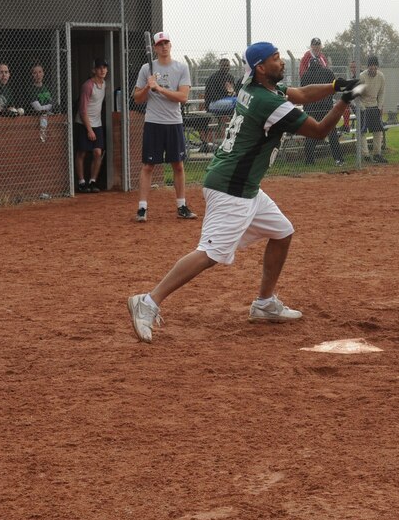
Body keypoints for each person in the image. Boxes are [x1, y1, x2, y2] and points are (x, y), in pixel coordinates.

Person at [127, 42, 362, 343]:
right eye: (275, 59)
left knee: (282, 232)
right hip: (232, 189)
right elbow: (317, 131)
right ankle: (147, 301)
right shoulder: (268, 103)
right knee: (209, 254)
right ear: (261, 68)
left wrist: (333, 85)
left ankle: (264, 304)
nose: (281, 62)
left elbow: (302, 95)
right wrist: (345, 100)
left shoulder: (251, 85)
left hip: (244, 186)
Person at [133, 31, 197, 222]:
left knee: (178, 165)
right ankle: (142, 209)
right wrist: (147, 86)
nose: (164, 46)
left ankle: (181, 206)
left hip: (174, 122)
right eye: (160, 44)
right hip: (153, 122)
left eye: (166, 43)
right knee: (148, 166)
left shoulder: (181, 68)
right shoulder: (146, 69)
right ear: (154, 48)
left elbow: (183, 97)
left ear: (171, 45)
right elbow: (137, 99)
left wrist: (159, 88)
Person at [300, 58, 344, 167]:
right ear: (320, 64)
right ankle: (338, 159)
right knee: (332, 132)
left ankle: (309, 161)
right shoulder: (327, 72)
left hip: (311, 107)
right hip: (325, 107)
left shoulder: (306, 75)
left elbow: (303, 92)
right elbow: (335, 88)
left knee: (310, 132)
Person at [74, 59, 109, 194]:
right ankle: (82, 182)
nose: (103, 70)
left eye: (105, 68)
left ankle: (92, 181)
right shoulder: (88, 86)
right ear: (94, 70)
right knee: (82, 152)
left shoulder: (105, 84)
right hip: (83, 122)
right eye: (99, 68)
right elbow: (82, 110)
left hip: (97, 123)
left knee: (97, 152)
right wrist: (89, 129)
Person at [358, 55, 387, 163]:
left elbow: (382, 92)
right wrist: (362, 107)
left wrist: (380, 106)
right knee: (362, 132)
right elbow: (356, 95)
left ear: (377, 67)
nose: (373, 70)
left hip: (374, 106)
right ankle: (365, 155)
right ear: (367, 67)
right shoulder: (362, 77)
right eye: (371, 67)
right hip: (363, 107)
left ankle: (377, 153)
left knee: (378, 131)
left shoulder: (381, 76)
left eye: (375, 67)